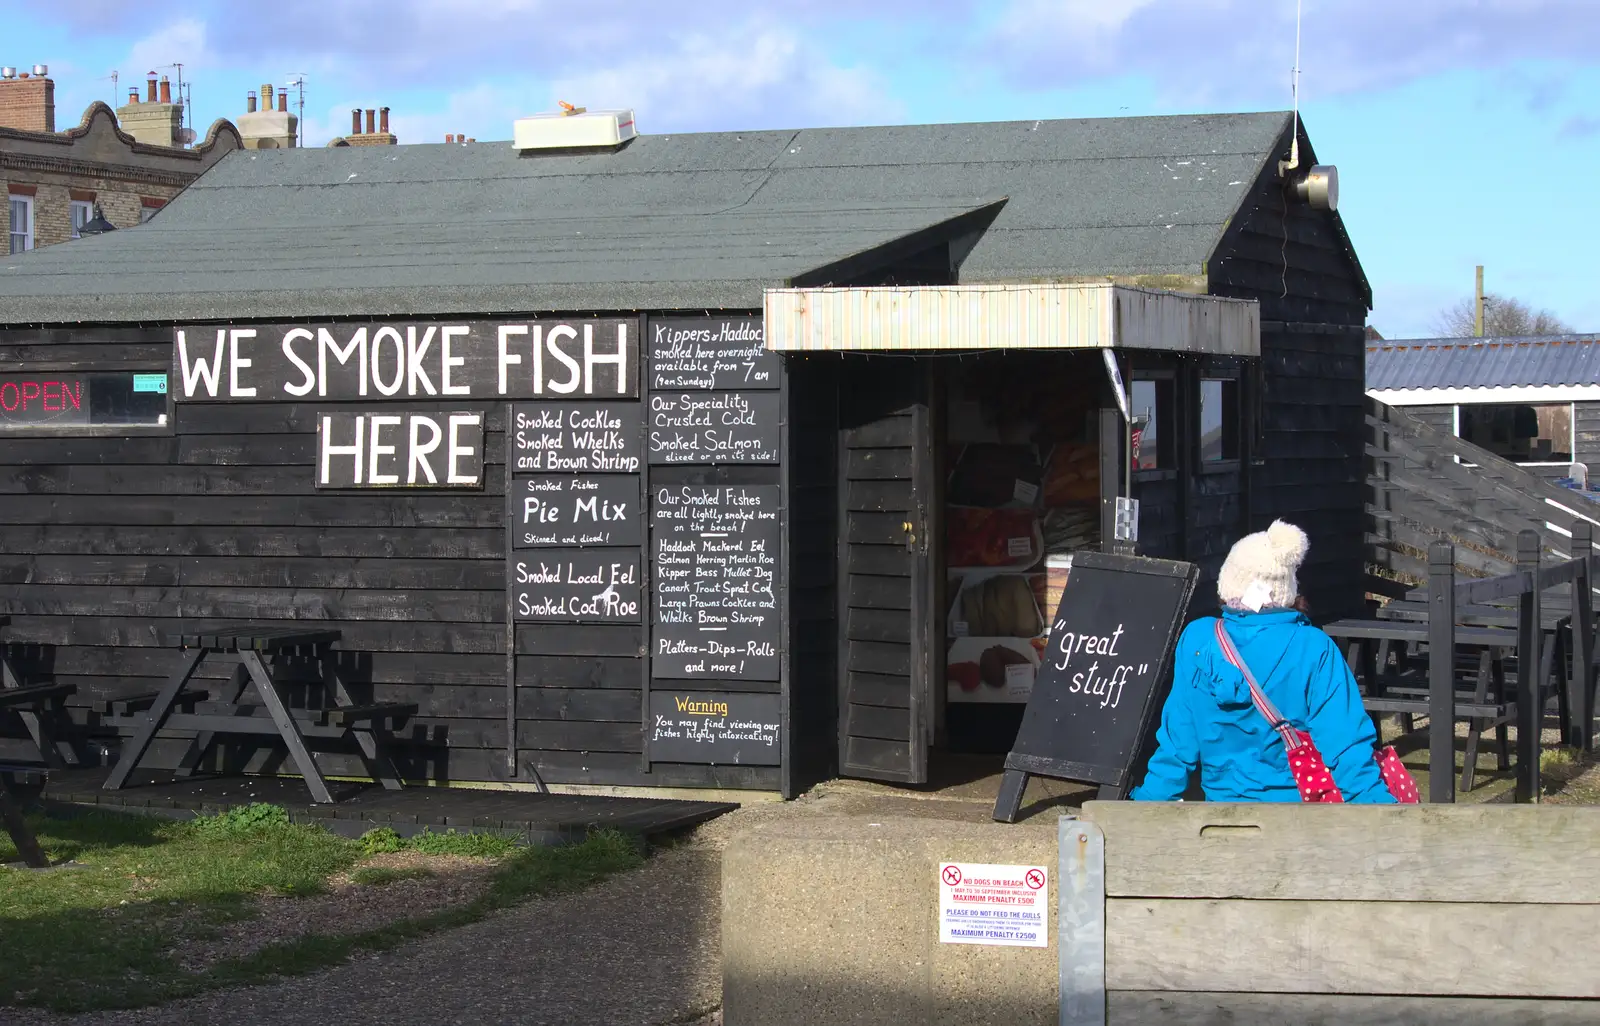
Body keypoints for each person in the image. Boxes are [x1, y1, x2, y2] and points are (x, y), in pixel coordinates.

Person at [1130, 519, 1396, 803]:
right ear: (1287, 590)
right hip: (1300, 815)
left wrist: (1147, 804)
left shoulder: (1197, 639)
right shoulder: (1315, 648)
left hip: (1220, 813)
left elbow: (1177, 742)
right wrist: (1383, 814)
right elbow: (1347, 747)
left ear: (1229, 584)